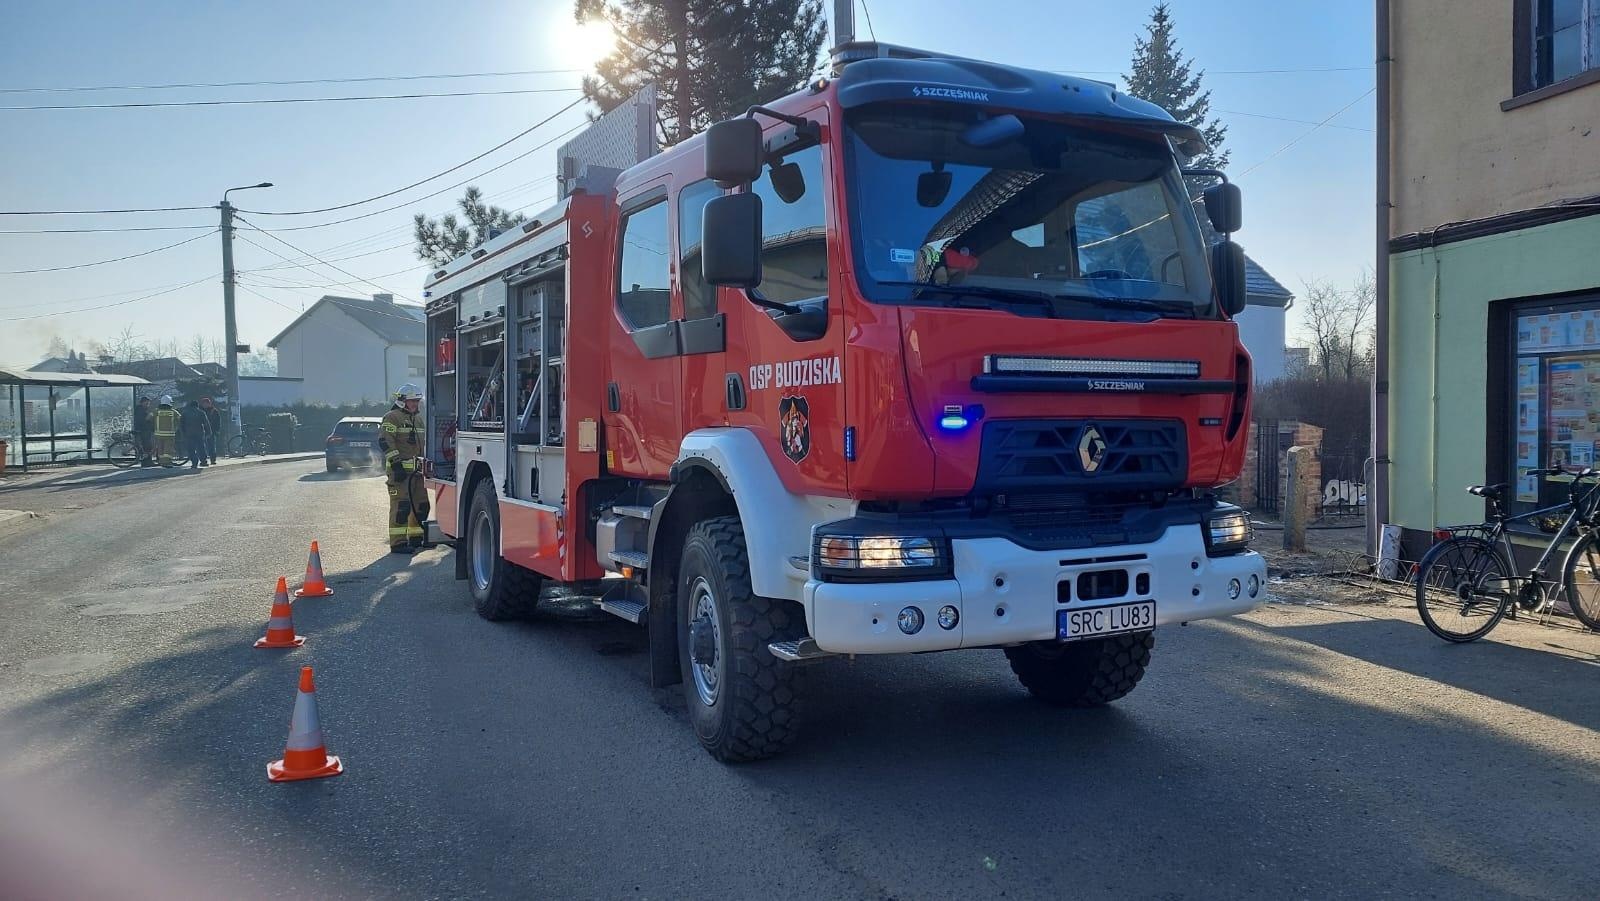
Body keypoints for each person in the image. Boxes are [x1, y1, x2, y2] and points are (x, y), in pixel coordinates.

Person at [380, 383, 429, 554]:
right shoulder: (392, 417)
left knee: (421, 506)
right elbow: (385, 440)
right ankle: (398, 543)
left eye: (417, 400)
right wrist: (396, 464)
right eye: (412, 401)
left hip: (417, 473)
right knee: (401, 507)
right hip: (399, 472)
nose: (415, 404)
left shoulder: (419, 419)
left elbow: (423, 445)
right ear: (402, 401)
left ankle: (416, 537)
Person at [178, 399, 211, 470]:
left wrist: (183, 434)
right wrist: (208, 432)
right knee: (201, 447)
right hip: (199, 433)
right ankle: (203, 461)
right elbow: (206, 423)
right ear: (197, 406)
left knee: (191, 449)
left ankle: (194, 463)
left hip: (189, 433)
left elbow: (181, 425)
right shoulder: (201, 412)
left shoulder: (185, 413)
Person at [152, 396, 180, 467]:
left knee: (160, 449)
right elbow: (180, 419)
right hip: (169, 435)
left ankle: (161, 462)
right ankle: (167, 463)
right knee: (168, 450)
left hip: (158, 434)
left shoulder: (156, 411)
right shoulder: (173, 412)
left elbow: (148, 418)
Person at [132, 396, 155, 467]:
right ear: (142, 402)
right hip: (143, 430)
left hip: (145, 430)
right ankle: (147, 462)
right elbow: (142, 420)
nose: (148, 404)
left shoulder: (142, 409)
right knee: (147, 446)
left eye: (148, 402)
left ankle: (146, 461)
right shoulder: (140, 410)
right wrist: (148, 417)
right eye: (147, 402)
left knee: (146, 446)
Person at [198, 396, 222, 465]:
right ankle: (203, 459)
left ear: (209, 403)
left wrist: (217, 430)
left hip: (212, 431)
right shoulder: (199, 411)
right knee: (202, 447)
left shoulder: (214, 411)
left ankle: (213, 459)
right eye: (204, 403)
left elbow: (218, 421)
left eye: (206, 403)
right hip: (202, 431)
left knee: (211, 446)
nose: (205, 405)